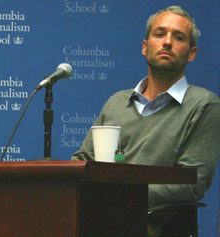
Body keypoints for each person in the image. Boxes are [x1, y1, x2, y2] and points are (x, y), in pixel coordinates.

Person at [71, 5, 220, 235]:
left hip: (149, 224)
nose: (167, 42)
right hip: (97, 219)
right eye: (159, 34)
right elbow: (83, 160)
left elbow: (193, 183)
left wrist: (116, 201)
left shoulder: (204, 105)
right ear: (144, 46)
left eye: (178, 37)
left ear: (191, 53)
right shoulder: (117, 102)